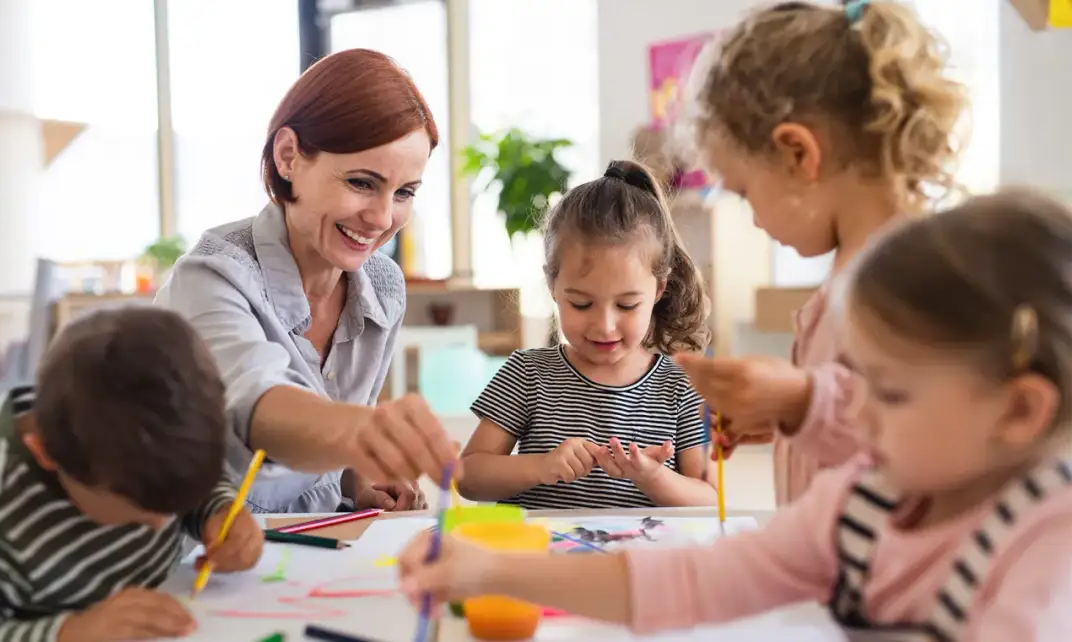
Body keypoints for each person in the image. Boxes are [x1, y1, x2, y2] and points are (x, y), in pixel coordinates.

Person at [398, 189, 1072, 641]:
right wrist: (490, 573)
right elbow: (698, 580)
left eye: (890, 393)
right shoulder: (860, 499)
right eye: (852, 381)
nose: (853, 415)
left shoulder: (1050, 549)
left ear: (1018, 410)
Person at [673, 0, 969, 504]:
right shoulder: (854, 272)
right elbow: (860, 428)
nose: (754, 219)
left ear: (798, 154)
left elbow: (935, 436)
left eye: (744, 192)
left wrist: (802, 400)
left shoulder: (918, 278)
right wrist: (790, 421)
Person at [156, 49, 458, 514]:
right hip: (207, 543)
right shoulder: (211, 278)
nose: (382, 218)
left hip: (312, 543)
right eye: (361, 183)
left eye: (403, 192)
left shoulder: (383, 287)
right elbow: (258, 408)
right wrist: (366, 433)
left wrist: (361, 482)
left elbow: (336, 449)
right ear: (288, 157)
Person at [0, 308, 264, 642]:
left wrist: (219, 511)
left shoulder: (159, 443)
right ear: (45, 454)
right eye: (136, 513)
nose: (163, 524)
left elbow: (181, 476)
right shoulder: (1, 507)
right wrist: (72, 632)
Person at [457, 160, 716, 509]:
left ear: (658, 289)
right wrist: (540, 466)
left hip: (641, 546)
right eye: (581, 304)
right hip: (543, 545)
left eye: (626, 305)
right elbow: (467, 477)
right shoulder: (527, 373)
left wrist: (652, 477)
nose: (604, 325)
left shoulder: (681, 385)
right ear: (553, 285)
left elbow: (709, 498)